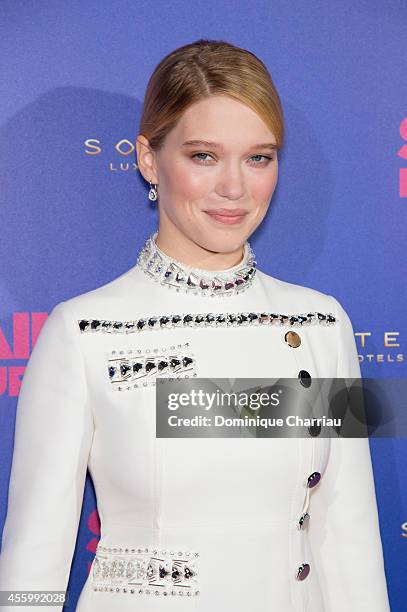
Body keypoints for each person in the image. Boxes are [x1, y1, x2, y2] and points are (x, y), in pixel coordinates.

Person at [0, 39, 390, 612]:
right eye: (204, 155)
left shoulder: (320, 323)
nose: (234, 187)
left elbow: (348, 537)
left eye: (259, 157)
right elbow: (34, 556)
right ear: (149, 159)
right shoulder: (84, 332)